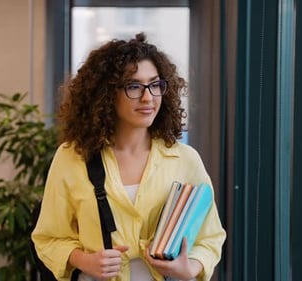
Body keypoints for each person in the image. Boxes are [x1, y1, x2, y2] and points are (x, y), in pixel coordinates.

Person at [31, 33, 226, 281]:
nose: (148, 97)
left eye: (155, 85)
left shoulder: (185, 159)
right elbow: (48, 237)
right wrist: (85, 260)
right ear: (106, 94)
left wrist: (189, 269)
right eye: (134, 86)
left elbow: (211, 237)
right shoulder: (72, 157)